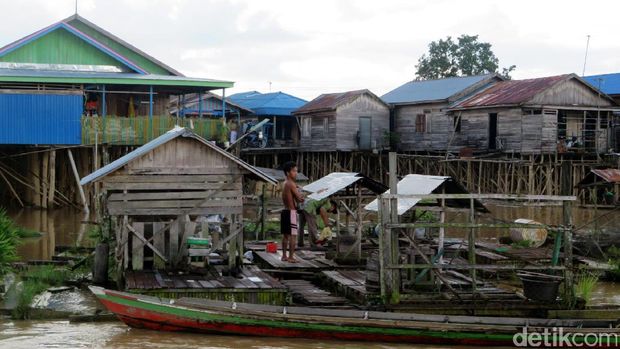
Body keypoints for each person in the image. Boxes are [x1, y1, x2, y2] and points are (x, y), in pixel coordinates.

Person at [281, 161, 304, 263]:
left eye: (296, 171)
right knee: (293, 235)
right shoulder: (291, 184)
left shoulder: (285, 183)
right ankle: (291, 257)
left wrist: (297, 188)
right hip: (291, 213)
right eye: (294, 171)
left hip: (285, 211)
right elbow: (299, 199)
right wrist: (302, 193)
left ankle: (284, 256)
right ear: (287, 173)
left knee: (285, 235)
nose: (296, 173)